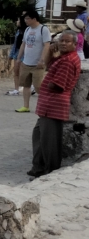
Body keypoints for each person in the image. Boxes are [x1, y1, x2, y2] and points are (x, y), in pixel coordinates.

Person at [29, 31, 81, 178]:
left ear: (74, 44)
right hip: (48, 106)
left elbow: (58, 85)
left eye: (67, 41)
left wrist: (46, 85)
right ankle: (38, 168)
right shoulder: (63, 57)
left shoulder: (67, 61)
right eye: (61, 41)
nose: (63, 43)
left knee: (49, 142)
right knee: (39, 137)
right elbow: (47, 65)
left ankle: (49, 173)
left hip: (53, 105)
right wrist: (51, 53)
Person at [16, 10, 51, 113]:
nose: (25, 21)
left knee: (38, 86)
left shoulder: (43, 30)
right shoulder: (27, 29)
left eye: (27, 19)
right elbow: (23, 44)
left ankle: (45, 106)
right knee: (25, 85)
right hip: (26, 62)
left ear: (34, 19)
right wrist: (19, 58)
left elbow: (47, 45)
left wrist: (42, 60)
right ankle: (26, 106)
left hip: (38, 64)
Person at [7, 15, 26, 96]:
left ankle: (27, 87)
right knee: (16, 72)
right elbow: (15, 45)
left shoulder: (27, 31)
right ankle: (16, 89)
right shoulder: (18, 31)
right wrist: (11, 56)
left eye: (18, 20)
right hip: (17, 54)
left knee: (23, 73)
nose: (17, 22)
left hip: (25, 55)